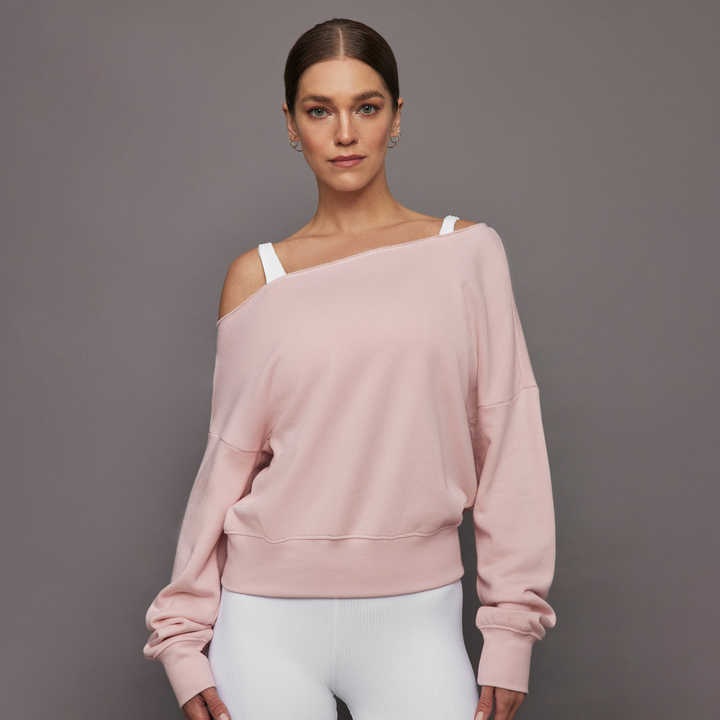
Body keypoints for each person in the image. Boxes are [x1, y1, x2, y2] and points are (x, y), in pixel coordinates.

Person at [142, 17, 557, 720]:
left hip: (415, 619)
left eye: (366, 107)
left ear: (396, 116)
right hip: (263, 619)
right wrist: (181, 637)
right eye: (319, 110)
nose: (344, 133)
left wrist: (512, 631)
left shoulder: (468, 254)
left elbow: (509, 438)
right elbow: (228, 462)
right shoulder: (256, 278)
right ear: (290, 123)